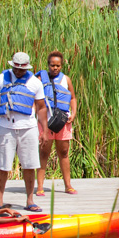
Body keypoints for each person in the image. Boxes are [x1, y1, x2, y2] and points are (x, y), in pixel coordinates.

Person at [0, 51, 49, 212]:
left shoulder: (35, 82)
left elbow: (41, 108)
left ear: (27, 67)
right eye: (16, 68)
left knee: (29, 165)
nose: (19, 71)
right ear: (12, 65)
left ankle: (30, 200)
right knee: (3, 166)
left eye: (22, 69)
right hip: (6, 127)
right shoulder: (1, 79)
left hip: (28, 128)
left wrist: (45, 130)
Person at [36, 51, 78, 196]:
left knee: (64, 153)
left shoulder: (66, 79)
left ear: (61, 65)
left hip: (62, 120)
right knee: (44, 153)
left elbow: (72, 97)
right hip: (45, 121)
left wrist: (73, 113)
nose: (55, 68)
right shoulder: (40, 78)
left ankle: (68, 185)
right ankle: (40, 187)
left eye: (58, 65)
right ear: (48, 65)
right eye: (52, 65)